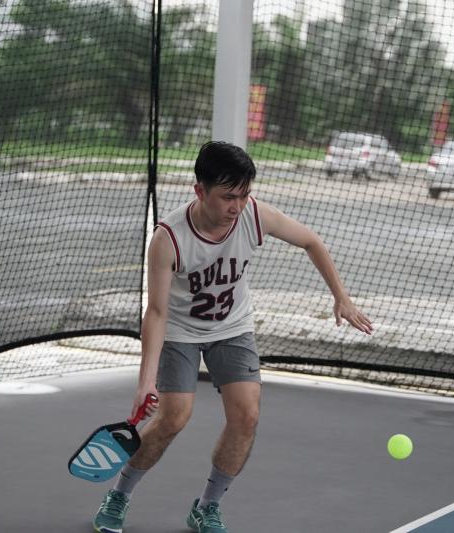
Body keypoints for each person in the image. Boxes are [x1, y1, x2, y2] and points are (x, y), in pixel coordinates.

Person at [92, 141, 373, 533]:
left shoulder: (252, 215)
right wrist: (145, 381)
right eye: (227, 197)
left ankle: (206, 507)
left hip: (232, 328)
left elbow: (312, 241)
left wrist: (341, 297)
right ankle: (119, 495)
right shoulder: (168, 238)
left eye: (243, 195)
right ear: (200, 191)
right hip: (180, 332)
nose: (236, 207)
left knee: (247, 415)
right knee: (174, 417)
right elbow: (155, 313)